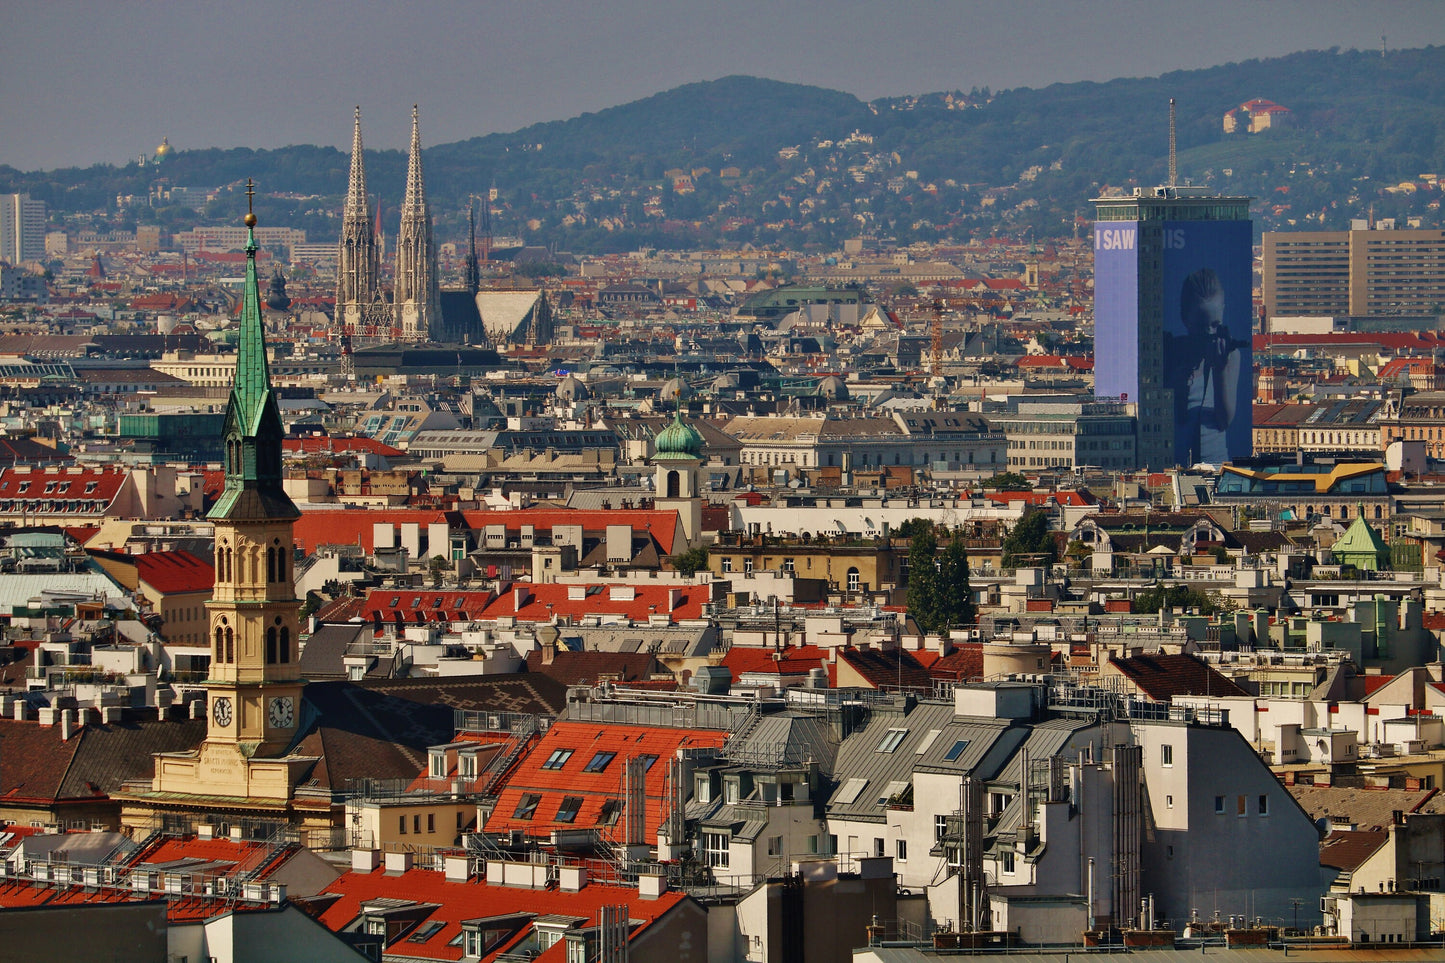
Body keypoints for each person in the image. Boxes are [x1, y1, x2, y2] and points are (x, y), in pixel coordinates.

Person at [1164, 268, 1243, 465]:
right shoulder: (1170, 351)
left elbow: (1224, 421)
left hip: (1215, 464)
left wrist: (1220, 369)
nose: (1209, 333)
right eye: (1200, 327)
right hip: (1173, 464)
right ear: (1185, 318)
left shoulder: (1230, 355)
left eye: (1215, 325)